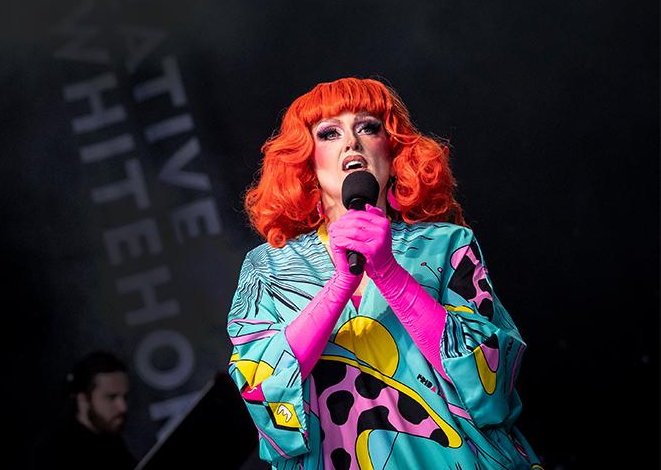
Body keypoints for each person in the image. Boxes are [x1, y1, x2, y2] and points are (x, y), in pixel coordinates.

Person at [226, 77, 542, 469]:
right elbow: (260, 389)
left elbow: (490, 378)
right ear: (306, 164)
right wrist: (340, 285)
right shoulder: (268, 268)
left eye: (367, 127)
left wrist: (389, 274)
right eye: (329, 133)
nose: (351, 143)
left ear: (393, 153)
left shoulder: (446, 245)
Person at [43, 350, 136, 469]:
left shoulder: (112, 442)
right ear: (83, 399)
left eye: (125, 397)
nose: (123, 407)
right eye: (111, 397)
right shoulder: (56, 453)